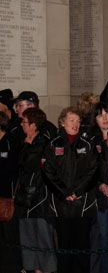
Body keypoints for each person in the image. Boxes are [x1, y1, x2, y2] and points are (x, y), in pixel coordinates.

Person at [43, 106, 98, 273]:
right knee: (64, 245)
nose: (75, 124)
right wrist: (64, 193)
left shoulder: (88, 144)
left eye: (78, 121)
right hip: (61, 204)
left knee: (82, 246)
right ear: (62, 122)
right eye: (72, 120)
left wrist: (77, 192)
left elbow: (93, 170)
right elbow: (48, 171)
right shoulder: (53, 143)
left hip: (83, 204)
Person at [15, 107, 57, 273]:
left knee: (42, 235)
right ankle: (32, 267)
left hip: (40, 196)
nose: (22, 125)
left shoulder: (43, 142)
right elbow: (19, 163)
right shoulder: (25, 141)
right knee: (27, 234)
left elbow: (31, 164)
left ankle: (46, 268)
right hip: (25, 195)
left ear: (33, 125)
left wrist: (27, 146)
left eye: (25, 122)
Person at [90, 102, 108, 273]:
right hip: (99, 197)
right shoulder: (91, 139)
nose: (105, 118)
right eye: (100, 115)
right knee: (103, 237)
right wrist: (100, 185)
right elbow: (88, 168)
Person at [0, 111, 22, 273]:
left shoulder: (9, 142)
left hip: (7, 197)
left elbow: (10, 171)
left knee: (9, 235)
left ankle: (12, 267)